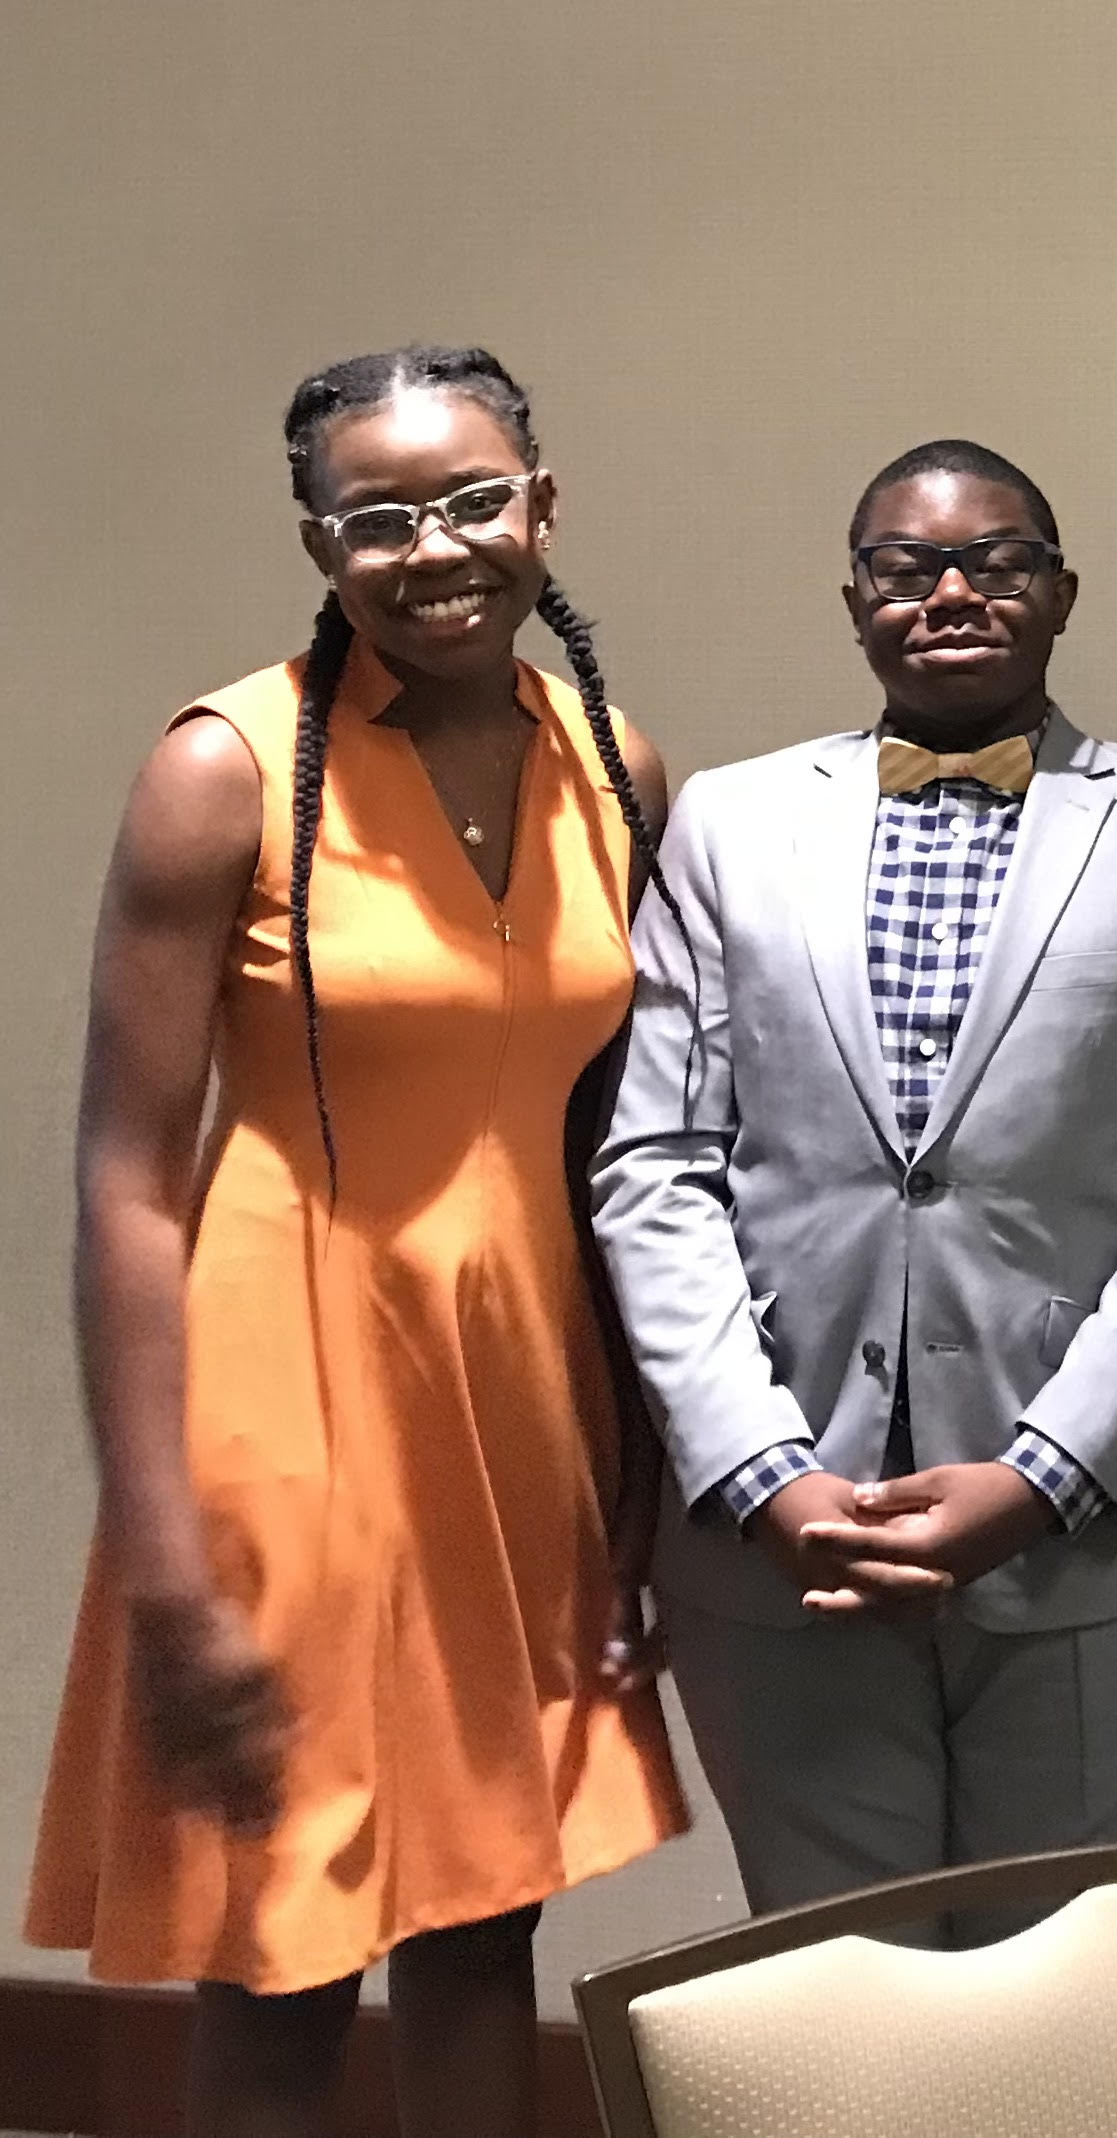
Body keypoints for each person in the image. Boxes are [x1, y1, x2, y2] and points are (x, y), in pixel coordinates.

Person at [28, 345, 686, 2138]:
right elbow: (124, 1178)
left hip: (522, 1393)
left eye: (474, 499)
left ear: (544, 504)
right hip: (286, 1404)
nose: (437, 547)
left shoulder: (612, 764)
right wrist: (167, 1566)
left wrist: (638, 1456)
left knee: (488, 1913)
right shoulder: (220, 770)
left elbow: (622, 1147)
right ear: (320, 544)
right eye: (379, 517)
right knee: (292, 1940)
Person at [590, 439, 1117, 1940]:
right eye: (910, 566)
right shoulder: (727, 823)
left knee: (1063, 1998)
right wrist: (757, 1469)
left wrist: (1045, 1471)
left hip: (1087, 1537)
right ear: (857, 601)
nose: (955, 590)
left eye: (1002, 558)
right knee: (837, 1992)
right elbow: (655, 1168)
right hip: (787, 1536)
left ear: (1062, 591)